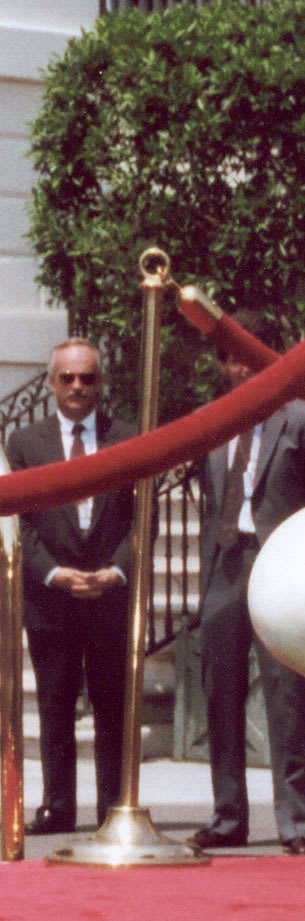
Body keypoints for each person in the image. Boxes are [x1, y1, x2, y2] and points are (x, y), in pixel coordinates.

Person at [188, 314, 305, 854]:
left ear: (273, 355)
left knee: (285, 695)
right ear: (222, 364)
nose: (241, 366)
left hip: (281, 566)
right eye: (232, 357)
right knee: (220, 694)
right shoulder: (214, 422)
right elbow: (210, 502)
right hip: (226, 565)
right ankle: (228, 816)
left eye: (251, 355)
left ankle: (298, 824)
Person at [6, 340, 134, 834]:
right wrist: (54, 572)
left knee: (112, 709)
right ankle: (57, 806)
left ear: (101, 382)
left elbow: (141, 522)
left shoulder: (127, 438)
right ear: (50, 382)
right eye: (68, 378)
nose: (78, 387)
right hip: (51, 600)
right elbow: (22, 523)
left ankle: (112, 808)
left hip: (109, 598)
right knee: (56, 708)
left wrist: (116, 571)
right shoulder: (25, 444)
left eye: (88, 378)